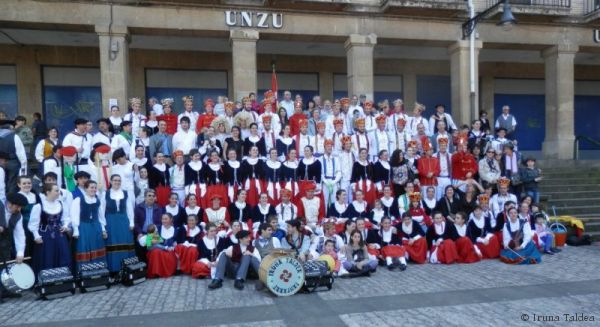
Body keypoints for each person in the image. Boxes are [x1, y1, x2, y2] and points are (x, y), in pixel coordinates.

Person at [28, 183, 71, 275]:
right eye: (56, 190)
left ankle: (63, 279)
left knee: (63, 255)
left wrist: (66, 225)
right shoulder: (39, 206)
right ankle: (47, 281)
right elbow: (33, 224)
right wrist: (36, 236)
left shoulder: (61, 203)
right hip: (45, 235)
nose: (58, 192)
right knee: (47, 256)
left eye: (58, 190)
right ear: (48, 192)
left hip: (60, 234)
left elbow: (66, 218)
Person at [100, 174, 135, 275]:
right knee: (112, 244)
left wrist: (131, 222)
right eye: (115, 180)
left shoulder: (125, 193)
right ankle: (114, 270)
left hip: (124, 221)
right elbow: (101, 211)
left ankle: (127, 268)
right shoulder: (105, 194)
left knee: (125, 242)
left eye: (119, 180)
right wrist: (103, 227)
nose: (117, 182)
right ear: (111, 182)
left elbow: (129, 209)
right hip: (111, 222)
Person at [71, 181, 108, 271]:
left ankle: (99, 271)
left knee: (97, 246)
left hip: (96, 227)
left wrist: (103, 229)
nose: (94, 189)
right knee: (85, 247)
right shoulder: (79, 200)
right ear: (86, 188)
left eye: (95, 188)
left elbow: (101, 216)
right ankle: (85, 272)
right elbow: (74, 215)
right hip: (84, 227)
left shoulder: (97, 200)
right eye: (91, 187)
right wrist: (76, 229)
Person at [0, 193, 28, 302]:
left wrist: (20, 253)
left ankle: (5, 290)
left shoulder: (18, 216)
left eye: (21, 207)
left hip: (4, 243)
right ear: (9, 204)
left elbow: (20, 234)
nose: (19, 209)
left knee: (4, 267)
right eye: (17, 206)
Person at [133, 189, 163, 261]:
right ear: (145, 197)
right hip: (142, 233)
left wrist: (154, 232)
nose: (151, 197)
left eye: (153, 196)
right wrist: (139, 233)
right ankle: (143, 268)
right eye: (149, 195)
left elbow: (160, 223)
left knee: (153, 250)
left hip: (154, 233)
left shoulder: (158, 208)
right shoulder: (138, 207)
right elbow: (135, 222)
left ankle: (152, 267)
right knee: (141, 250)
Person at [146, 213, 178, 278]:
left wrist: (173, 247)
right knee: (156, 252)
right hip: (158, 249)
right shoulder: (157, 228)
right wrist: (164, 247)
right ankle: (156, 272)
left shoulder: (176, 230)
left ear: (171, 219)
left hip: (170, 250)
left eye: (166, 219)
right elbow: (149, 242)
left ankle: (170, 271)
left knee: (171, 253)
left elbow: (176, 242)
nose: (164, 221)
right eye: (162, 219)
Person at [0, 120, 28, 192]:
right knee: (12, 183)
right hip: (12, 163)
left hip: (1, 163)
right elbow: (21, 154)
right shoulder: (14, 136)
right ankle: (11, 201)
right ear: (11, 128)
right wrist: (23, 170)